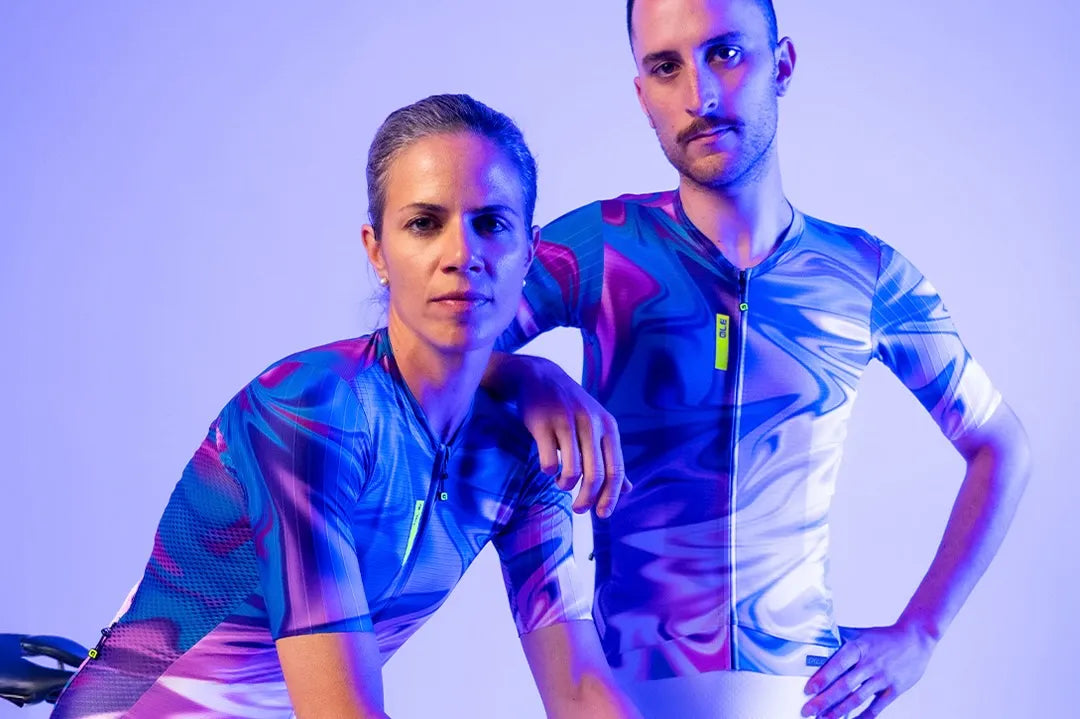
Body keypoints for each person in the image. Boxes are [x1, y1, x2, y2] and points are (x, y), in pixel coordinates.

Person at [483, 1, 1032, 717]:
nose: (700, 94)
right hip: (623, 695)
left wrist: (920, 633)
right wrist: (527, 374)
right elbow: (431, 358)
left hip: (804, 695)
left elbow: (1001, 445)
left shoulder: (865, 274)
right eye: (666, 66)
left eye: (726, 53)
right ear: (643, 95)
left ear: (782, 65)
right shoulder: (598, 248)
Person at [51, 94, 639, 719]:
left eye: (491, 224)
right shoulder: (308, 413)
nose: (460, 254)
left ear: (530, 252)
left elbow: (579, 690)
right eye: (424, 223)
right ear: (377, 251)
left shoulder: (522, 450)